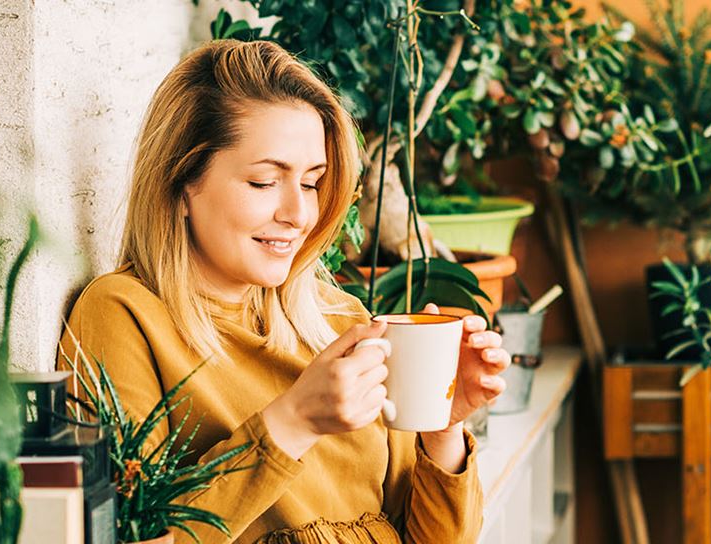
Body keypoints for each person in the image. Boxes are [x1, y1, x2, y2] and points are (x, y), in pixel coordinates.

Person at [59, 39, 508, 544]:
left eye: (311, 183)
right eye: (264, 182)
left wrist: (442, 427)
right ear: (182, 184)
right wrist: (293, 422)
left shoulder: (341, 320)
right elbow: (130, 533)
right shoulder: (124, 316)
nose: (298, 214)